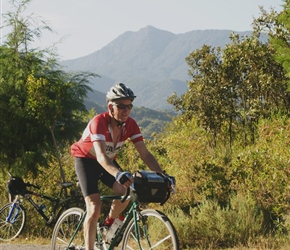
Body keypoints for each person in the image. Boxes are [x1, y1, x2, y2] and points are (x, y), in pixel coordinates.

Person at [71, 82, 164, 250]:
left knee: (126, 191)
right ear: (110, 107)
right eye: (121, 106)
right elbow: (100, 155)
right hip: (86, 159)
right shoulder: (98, 122)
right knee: (94, 205)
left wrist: (162, 175)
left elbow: (145, 154)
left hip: (108, 161)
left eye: (129, 106)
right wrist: (118, 173)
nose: (126, 110)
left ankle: (107, 225)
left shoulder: (131, 125)